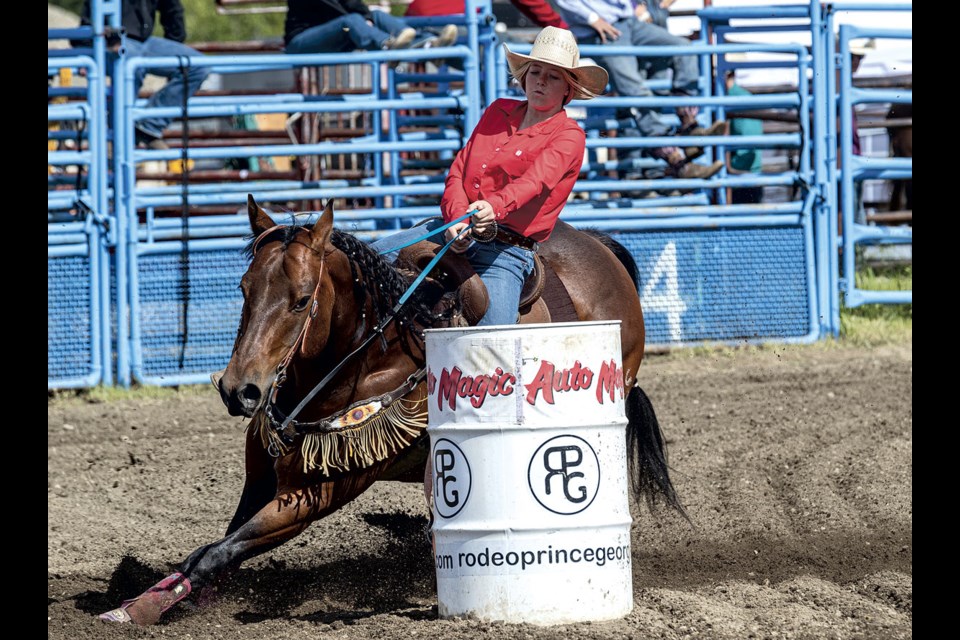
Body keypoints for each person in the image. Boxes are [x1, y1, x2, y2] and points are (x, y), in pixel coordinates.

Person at [372, 26, 608, 326]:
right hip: (453, 227)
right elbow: (458, 172)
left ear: (568, 89)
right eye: (535, 72)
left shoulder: (569, 135)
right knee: (369, 262)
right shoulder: (498, 110)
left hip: (506, 250)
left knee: (491, 339)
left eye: (553, 76)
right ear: (524, 77)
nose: (541, 81)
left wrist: (492, 209)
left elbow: (535, 183)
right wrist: (458, 220)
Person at [553, 0, 726, 179]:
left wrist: (635, 7)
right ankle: (677, 161)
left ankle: (688, 123)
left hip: (627, 22)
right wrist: (592, 18)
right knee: (635, 90)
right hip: (600, 31)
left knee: (683, 49)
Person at [77, 0, 210, 150]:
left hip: (143, 41)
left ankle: (148, 126)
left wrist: (174, 49)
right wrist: (88, 48)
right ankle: (118, 136)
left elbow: (173, 10)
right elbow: (90, 17)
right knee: (130, 62)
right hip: (112, 41)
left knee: (197, 65)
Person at [284, 0, 458, 55]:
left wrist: (368, 18)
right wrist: (363, 20)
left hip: (335, 37)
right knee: (351, 20)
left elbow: (353, 4)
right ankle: (387, 45)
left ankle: (427, 43)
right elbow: (332, 7)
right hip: (300, 42)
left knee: (376, 15)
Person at [724, 69, 763, 204]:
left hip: (740, 179)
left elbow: (748, 150)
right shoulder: (738, 97)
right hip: (743, 177)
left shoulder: (737, 99)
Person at [405, 0, 568, 29]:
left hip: (414, 21)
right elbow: (531, 3)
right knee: (515, 57)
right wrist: (560, 27)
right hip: (456, 23)